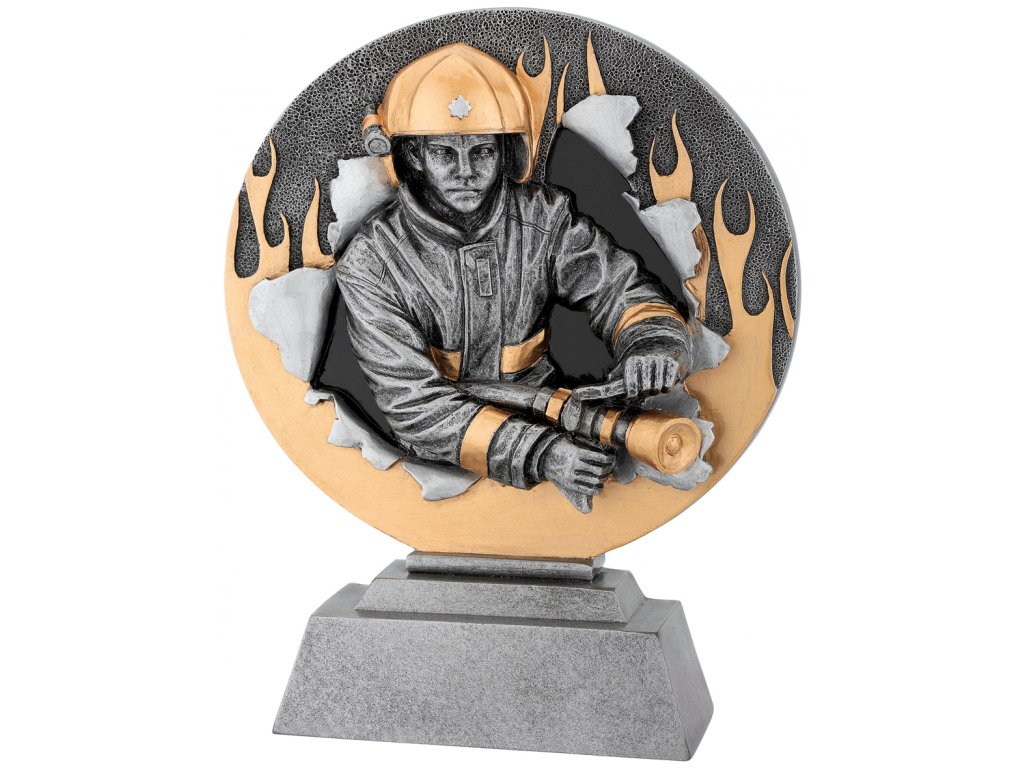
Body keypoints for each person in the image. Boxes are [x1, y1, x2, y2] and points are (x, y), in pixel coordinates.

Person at [335, 43, 692, 502]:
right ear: (414, 156)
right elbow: (412, 403)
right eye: (444, 153)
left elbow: (616, 288)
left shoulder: (545, 218)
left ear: (506, 152)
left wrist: (650, 344)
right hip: (439, 467)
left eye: (482, 151)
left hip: (552, 423)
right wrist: (540, 453)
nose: (466, 173)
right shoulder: (372, 261)